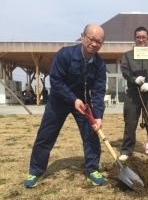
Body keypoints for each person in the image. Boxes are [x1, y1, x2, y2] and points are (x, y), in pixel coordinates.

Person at [23, 24, 107, 187]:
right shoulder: (65, 55)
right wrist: (72, 99)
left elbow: (97, 92)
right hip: (59, 101)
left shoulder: (100, 65)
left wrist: (98, 116)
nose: (94, 44)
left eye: (99, 41)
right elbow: (56, 80)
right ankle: (35, 172)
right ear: (82, 36)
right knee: (45, 136)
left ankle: (92, 169)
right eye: (91, 39)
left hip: (83, 104)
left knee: (91, 135)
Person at [119, 26, 148, 162]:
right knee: (130, 123)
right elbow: (124, 70)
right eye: (138, 37)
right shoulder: (128, 55)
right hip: (133, 94)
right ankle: (127, 150)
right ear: (134, 39)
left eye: (144, 37)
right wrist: (134, 79)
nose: (141, 39)